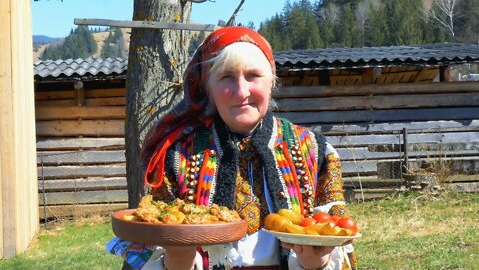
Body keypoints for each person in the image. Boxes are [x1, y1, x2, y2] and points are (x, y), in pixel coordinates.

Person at [107, 26, 357, 270]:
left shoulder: (316, 152)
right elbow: (156, 248)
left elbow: (336, 234)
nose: (241, 91)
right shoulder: (175, 157)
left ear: (272, 81)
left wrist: (316, 262)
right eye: (226, 77)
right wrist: (179, 259)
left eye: (253, 76)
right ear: (208, 88)